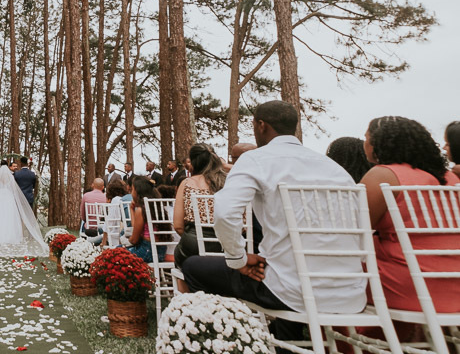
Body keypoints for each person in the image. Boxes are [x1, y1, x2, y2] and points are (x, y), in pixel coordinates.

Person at [182, 101, 366, 345]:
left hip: (290, 290)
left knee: (194, 266)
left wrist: (238, 259)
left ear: (261, 125)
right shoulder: (334, 169)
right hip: (350, 293)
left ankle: (214, 344)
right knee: (281, 272)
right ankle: (286, 346)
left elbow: (224, 212)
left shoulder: (256, 160)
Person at [360, 116, 459, 313]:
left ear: (378, 143)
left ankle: (351, 343)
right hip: (456, 282)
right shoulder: (450, 177)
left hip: (410, 284)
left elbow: (355, 233)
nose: (364, 143)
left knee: (333, 281)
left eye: (366, 137)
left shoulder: (383, 175)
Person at [0, 164, 48, 257]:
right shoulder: (11, 178)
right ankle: (10, 236)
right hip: (8, 197)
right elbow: (14, 190)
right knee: (8, 216)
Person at [173, 143, 228, 267]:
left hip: (195, 244)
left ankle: (188, 285)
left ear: (192, 162)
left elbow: (178, 226)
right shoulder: (230, 181)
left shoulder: (187, 183)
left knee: (183, 263)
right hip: (229, 244)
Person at [122, 177, 160, 263]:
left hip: (145, 251)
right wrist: (132, 210)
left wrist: (127, 241)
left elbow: (134, 240)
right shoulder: (156, 207)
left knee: (115, 252)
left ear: (137, 192)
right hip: (160, 251)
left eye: (132, 190)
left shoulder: (141, 210)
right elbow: (136, 228)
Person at [100, 179, 131, 248]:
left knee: (97, 232)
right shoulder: (127, 198)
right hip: (125, 233)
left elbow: (109, 223)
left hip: (116, 237)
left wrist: (103, 243)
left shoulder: (116, 200)